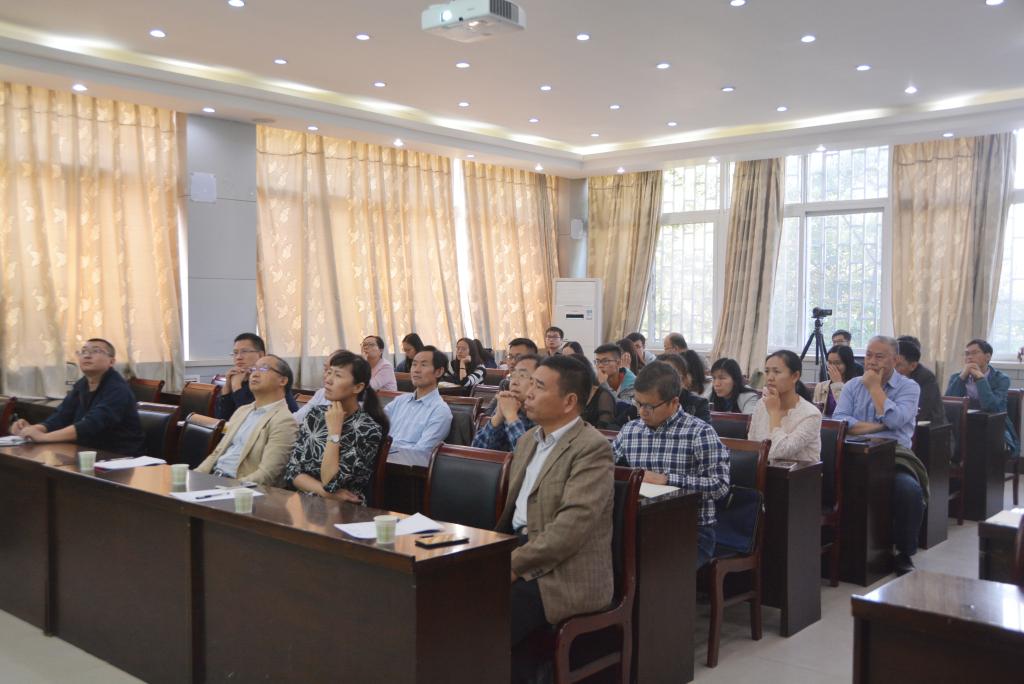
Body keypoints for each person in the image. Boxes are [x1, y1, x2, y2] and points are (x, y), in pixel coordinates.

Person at [495, 355, 614, 673]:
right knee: (448, 593)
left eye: (539, 386)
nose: (529, 393)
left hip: (564, 569)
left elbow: (569, 530)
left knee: (488, 614)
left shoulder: (592, 448)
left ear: (569, 402)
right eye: (530, 384)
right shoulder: (528, 440)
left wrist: (514, 565)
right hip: (518, 547)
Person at [612, 362, 730, 567]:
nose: (642, 412)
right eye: (638, 403)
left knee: (650, 567)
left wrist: (667, 480)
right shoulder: (630, 430)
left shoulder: (699, 432)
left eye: (649, 406)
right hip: (639, 524)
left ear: (674, 402)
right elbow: (606, 467)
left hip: (692, 531)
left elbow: (720, 486)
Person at [833, 336, 929, 576]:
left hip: (892, 457)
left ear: (895, 360)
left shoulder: (909, 387)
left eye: (879, 356)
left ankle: (904, 552)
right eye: (868, 355)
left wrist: (874, 388)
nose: (871, 362)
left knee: (909, 491)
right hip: (854, 454)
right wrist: (879, 425)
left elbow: (895, 420)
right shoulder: (852, 385)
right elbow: (840, 421)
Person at [283, 351, 388, 503]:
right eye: (329, 373)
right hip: (305, 503)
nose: (328, 380)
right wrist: (324, 493)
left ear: (357, 387)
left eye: (338, 375)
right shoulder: (315, 414)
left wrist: (334, 432)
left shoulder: (368, 429)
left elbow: (331, 482)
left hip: (344, 509)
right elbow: (292, 471)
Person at [12, 338, 144, 455]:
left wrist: (44, 437)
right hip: (87, 452)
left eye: (96, 351)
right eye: (83, 351)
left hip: (117, 456)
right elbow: (62, 416)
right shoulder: (82, 384)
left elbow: (91, 424)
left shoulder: (118, 389)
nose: (87, 355)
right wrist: (33, 429)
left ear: (111, 361)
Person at [196, 355, 299, 486]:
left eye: (264, 369)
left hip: (241, 488)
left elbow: (267, 474)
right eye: (253, 369)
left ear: (283, 381)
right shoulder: (242, 411)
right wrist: (194, 476)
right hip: (215, 478)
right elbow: (217, 453)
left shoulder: (284, 420)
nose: (254, 374)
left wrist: (231, 488)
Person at [945, 338, 1019, 459]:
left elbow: (991, 407)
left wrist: (980, 379)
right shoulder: (957, 377)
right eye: (967, 354)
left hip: (993, 428)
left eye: (974, 353)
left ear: (987, 357)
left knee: (976, 443)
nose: (969, 357)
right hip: (962, 427)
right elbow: (948, 406)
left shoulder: (1001, 379)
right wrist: (962, 377)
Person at [384, 347, 453, 466]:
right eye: (414, 364)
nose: (416, 370)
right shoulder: (400, 401)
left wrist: (384, 452)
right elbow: (377, 425)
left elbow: (421, 453)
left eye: (423, 365)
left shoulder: (440, 411)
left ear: (438, 372)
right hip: (379, 460)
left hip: (401, 470)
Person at [748, 351, 821, 463]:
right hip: (761, 471)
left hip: (797, 473)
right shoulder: (761, 405)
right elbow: (751, 446)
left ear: (795, 376)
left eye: (776, 372)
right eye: (767, 371)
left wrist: (774, 413)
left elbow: (779, 452)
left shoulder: (811, 414)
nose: (770, 378)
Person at [217, 332, 298, 420]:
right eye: (235, 353)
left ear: (261, 355)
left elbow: (252, 418)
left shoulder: (269, 380)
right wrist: (227, 386)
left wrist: (236, 387)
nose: (238, 357)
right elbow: (221, 419)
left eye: (244, 351)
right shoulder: (240, 378)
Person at [472, 354, 539, 451]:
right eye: (513, 376)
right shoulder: (509, 404)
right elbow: (477, 450)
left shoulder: (544, 414)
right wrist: (497, 417)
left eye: (522, 376)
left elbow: (528, 455)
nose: (514, 382)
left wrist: (511, 417)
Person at [893, 336, 945, 427]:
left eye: (898, 365)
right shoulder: (888, 375)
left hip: (930, 427)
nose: (893, 369)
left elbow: (921, 411)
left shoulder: (926, 377)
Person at [656, 353, 711, 422]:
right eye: (657, 375)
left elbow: (704, 427)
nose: (662, 379)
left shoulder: (697, 404)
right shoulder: (648, 401)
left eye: (668, 374)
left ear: (683, 377)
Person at [813, 345, 864, 416]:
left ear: (847, 364)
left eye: (838, 363)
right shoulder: (821, 386)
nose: (833, 367)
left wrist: (838, 384)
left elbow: (850, 412)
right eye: (830, 363)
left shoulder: (857, 387)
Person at [292, 350, 342, 424]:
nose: (326, 377)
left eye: (337, 374)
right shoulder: (321, 393)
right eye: (326, 370)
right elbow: (298, 417)